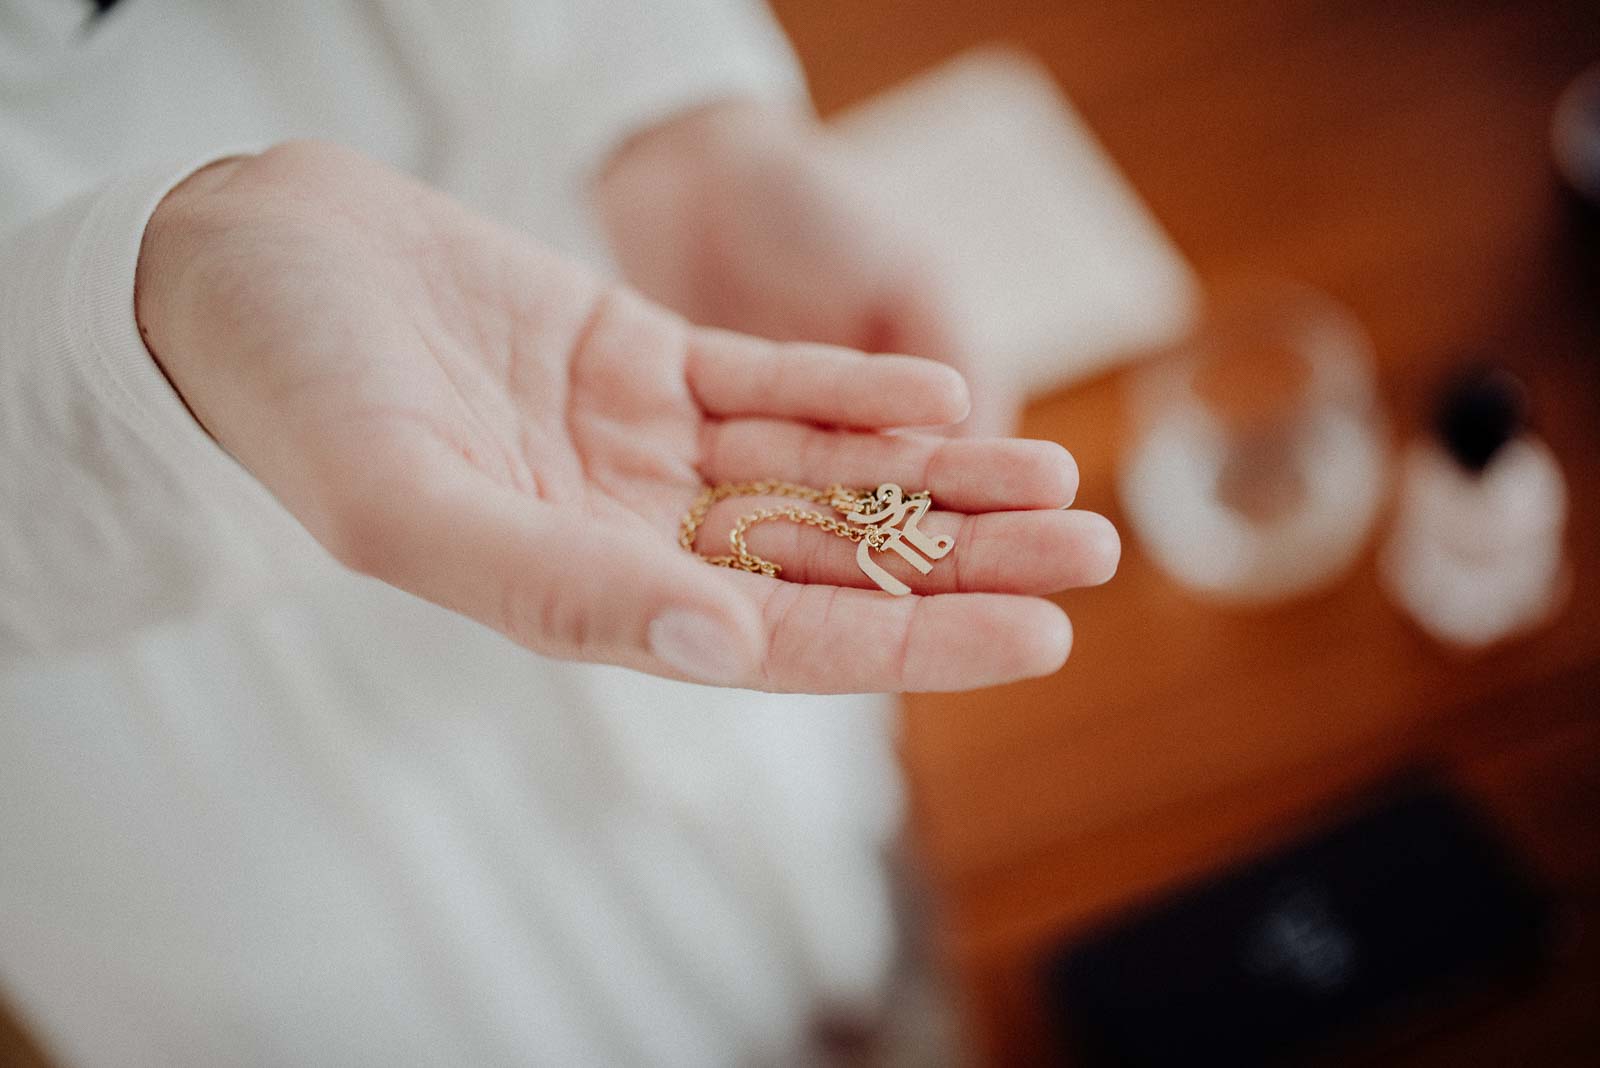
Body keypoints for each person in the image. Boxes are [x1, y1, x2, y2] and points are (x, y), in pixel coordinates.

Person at [0, 1, 1119, 1064]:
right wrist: (134, 341)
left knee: (858, 946)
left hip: (611, 357)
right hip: (241, 822)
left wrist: (669, 119)